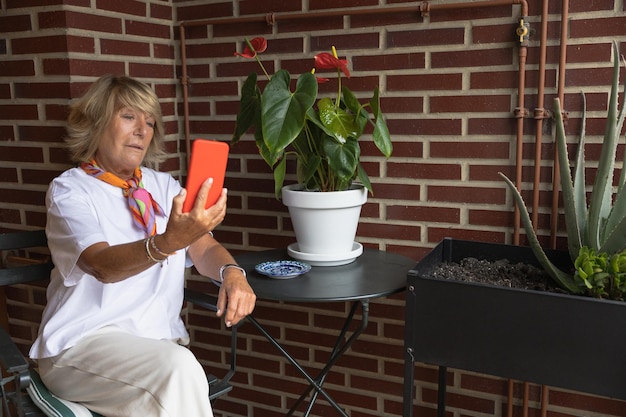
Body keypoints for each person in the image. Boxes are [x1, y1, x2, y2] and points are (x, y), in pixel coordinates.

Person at [29, 74, 256, 417]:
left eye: (150, 121)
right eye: (128, 116)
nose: (142, 130)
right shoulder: (70, 191)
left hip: (154, 347)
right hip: (80, 348)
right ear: (97, 121)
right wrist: (168, 242)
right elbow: (102, 264)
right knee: (179, 372)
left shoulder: (163, 186)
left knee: (177, 375)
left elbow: (204, 248)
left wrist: (232, 273)